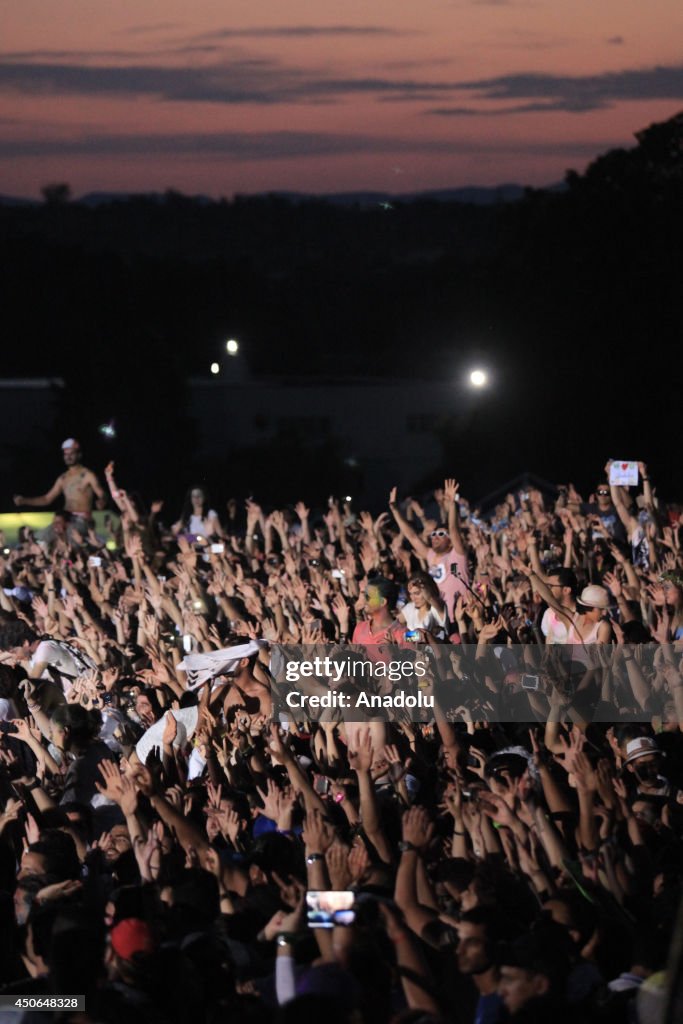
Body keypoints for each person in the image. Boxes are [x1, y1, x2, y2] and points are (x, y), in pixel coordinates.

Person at [389, 478, 469, 619]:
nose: (435, 536)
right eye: (433, 534)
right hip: (438, 619)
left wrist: (451, 504)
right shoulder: (431, 555)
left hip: (460, 618)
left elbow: (453, 529)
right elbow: (412, 536)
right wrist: (395, 510)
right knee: (410, 636)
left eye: (441, 534)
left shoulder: (457, 555)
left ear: (451, 541)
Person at [13, 438, 107, 536]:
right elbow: (47, 499)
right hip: (65, 519)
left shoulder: (87, 475)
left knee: (70, 535)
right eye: (66, 454)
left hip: (81, 520)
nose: (68, 457)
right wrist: (24, 500)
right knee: (40, 537)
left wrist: (102, 500)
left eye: (71, 453)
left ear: (79, 455)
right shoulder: (63, 478)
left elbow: (102, 494)